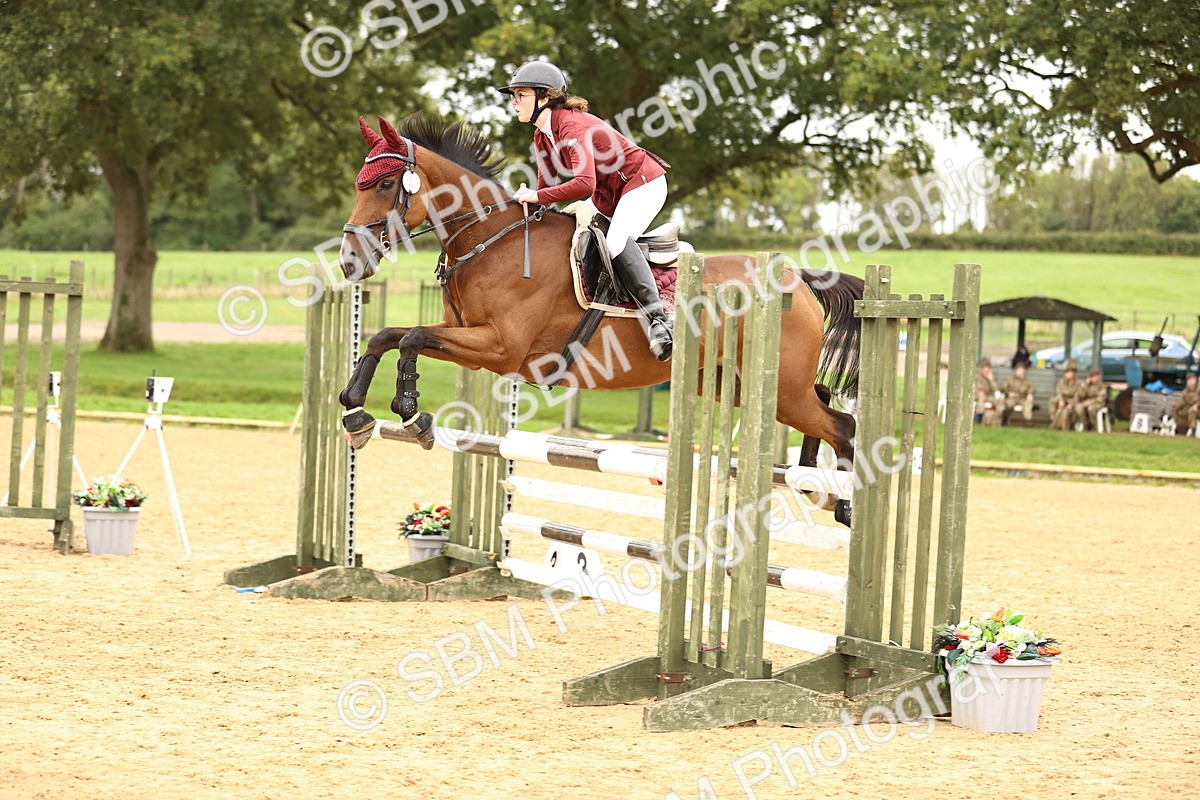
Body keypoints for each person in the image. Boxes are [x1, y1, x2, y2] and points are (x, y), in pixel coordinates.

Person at [499, 61, 674, 361]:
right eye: (512, 96)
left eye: (520, 95)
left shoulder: (572, 127)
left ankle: (660, 320)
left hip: (643, 184)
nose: (513, 102)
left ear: (544, 97)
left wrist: (537, 195)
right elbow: (547, 192)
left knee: (615, 242)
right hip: (611, 196)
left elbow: (583, 184)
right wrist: (521, 208)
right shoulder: (542, 136)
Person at [1048, 362, 1082, 431]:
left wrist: (1071, 403)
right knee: (1052, 401)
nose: (1069, 374)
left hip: (1072, 401)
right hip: (1063, 400)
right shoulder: (1061, 382)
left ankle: (1064, 427)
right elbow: (1059, 392)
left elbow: (1078, 396)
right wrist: (1061, 400)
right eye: (1068, 372)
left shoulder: (1078, 383)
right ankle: (1053, 419)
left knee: (1066, 411)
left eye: (1071, 373)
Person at [973, 359, 1002, 426]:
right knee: (981, 398)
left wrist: (991, 380)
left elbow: (996, 389)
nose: (986, 371)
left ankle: (997, 420)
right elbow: (972, 387)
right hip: (977, 396)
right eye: (985, 369)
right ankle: (978, 418)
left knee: (999, 401)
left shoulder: (990, 378)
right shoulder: (977, 377)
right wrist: (978, 392)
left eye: (988, 369)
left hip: (988, 396)